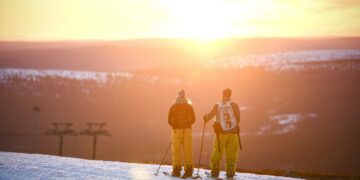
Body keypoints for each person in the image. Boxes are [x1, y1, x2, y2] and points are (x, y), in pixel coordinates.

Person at [203, 88, 241, 178]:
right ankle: (230, 172)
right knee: (232, 153)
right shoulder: (234, 105)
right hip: (233, 133)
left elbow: (209, 116)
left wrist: (205, 118)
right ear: (230, 95)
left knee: (217, 152)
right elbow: (238, 119)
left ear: (222, 94)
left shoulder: (218, 105)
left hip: (221, 133)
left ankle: (215, 171)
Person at [168, 89, 195, 178]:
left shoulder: (173, 107)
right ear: (185, 96)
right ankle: (189, 170)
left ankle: (176, 170)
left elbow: (169, 121)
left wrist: (174, 125)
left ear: (177, 96)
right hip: (187, 130)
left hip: (176, 131)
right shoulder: (189, 106)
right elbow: (193, 119)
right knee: (188, 150)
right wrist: (187, 124)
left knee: (176, 151)